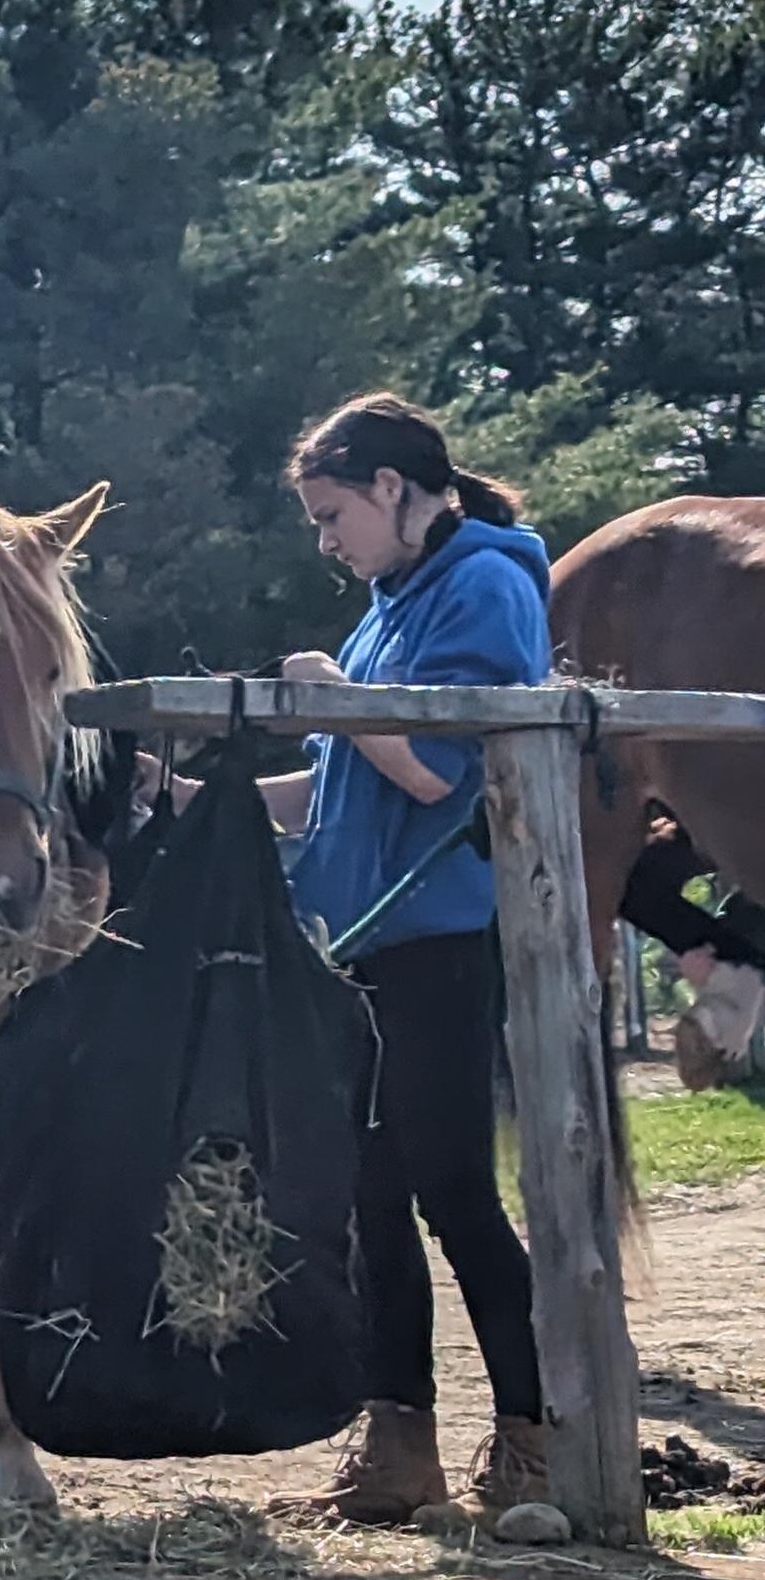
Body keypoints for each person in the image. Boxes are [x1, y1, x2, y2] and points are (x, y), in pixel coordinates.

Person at [260, 393, 557, 1523]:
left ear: (392, 488)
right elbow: (348, 780)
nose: (327, 542)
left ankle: (533, 1435)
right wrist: (201, 799)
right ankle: (401, 1443)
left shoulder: (486, 582)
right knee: (371, 1193)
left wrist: (334, 695)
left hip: (437, 931)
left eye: (333, 515)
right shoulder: (396, 601)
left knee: (449, 1188)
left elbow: (435, 767)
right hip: (370, 933)